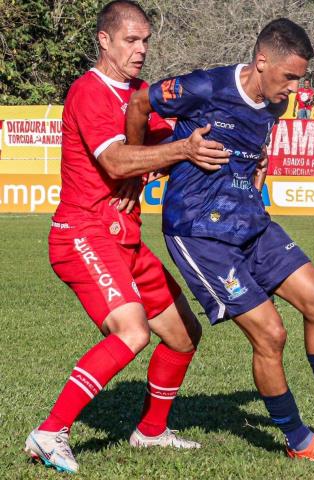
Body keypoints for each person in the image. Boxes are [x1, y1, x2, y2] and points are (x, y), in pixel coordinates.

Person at [126, 18, 314, 461]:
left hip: (250, 220)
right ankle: (298, 440)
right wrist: (140, 166)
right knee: (271, 334)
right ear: (261, 61)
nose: (294, 88)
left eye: (299, 79)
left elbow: (249, 143)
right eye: (289, 77)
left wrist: (258, 161)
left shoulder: (274, 105)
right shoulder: (206, 87)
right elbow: (139, 102)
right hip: (200, 232)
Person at [24, 1, 230, 474]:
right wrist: (179, 150)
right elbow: (117, 162)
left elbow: (170, 142)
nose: (141, 50)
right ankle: (50, 432)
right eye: (131, 40)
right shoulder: (89, 92)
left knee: (182, 335)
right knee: (133, 331)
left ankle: (150, 432)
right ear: (105, 39)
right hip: (82, 232)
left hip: (126, 238)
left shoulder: (142, 94)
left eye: (145, 41)